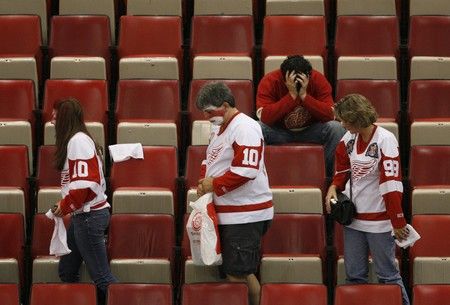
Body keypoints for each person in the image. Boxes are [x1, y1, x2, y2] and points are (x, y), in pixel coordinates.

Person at [324, 94, 410, 305]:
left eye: (344, 120)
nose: (341, 124)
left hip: (380, 221)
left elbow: (392, 185)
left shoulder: (385, 140)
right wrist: (333, 187)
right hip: (353, 220)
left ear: (356, 118)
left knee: (388, 276)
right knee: (354, 277)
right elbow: (342, 169)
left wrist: (397, 221)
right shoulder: (347, 139)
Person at [196, 82, 274, 305]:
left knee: (238, 275)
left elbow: (246, 170)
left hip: (245, 214)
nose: (207, 116)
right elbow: (209, 159)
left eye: (210, 111)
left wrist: (215, 184)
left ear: (225, 104)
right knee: (237, 272)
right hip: (230, 211)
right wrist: (203, 183)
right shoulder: (219, 129)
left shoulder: (245, 127)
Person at [51, 98, 116, 305]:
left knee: (103, 278)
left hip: (89, 217)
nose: (52, 120)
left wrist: (65, 205)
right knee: (67, 270)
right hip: (84, 216)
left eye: (55, 116)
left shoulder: (77, 141)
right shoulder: (79, 139)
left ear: (64, 118)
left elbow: (84, 186)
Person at [256, 55, 345, 179]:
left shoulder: (318, 79)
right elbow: (265, 117)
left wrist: (304, 96)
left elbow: (330, 115)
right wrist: (291, 94)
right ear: (283, 76)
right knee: (257, 128)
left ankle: (330, 179)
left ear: (309, 76)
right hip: (279, 132)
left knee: (336, 128)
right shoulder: (270, 80)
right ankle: (260, 178)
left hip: (311, 130)